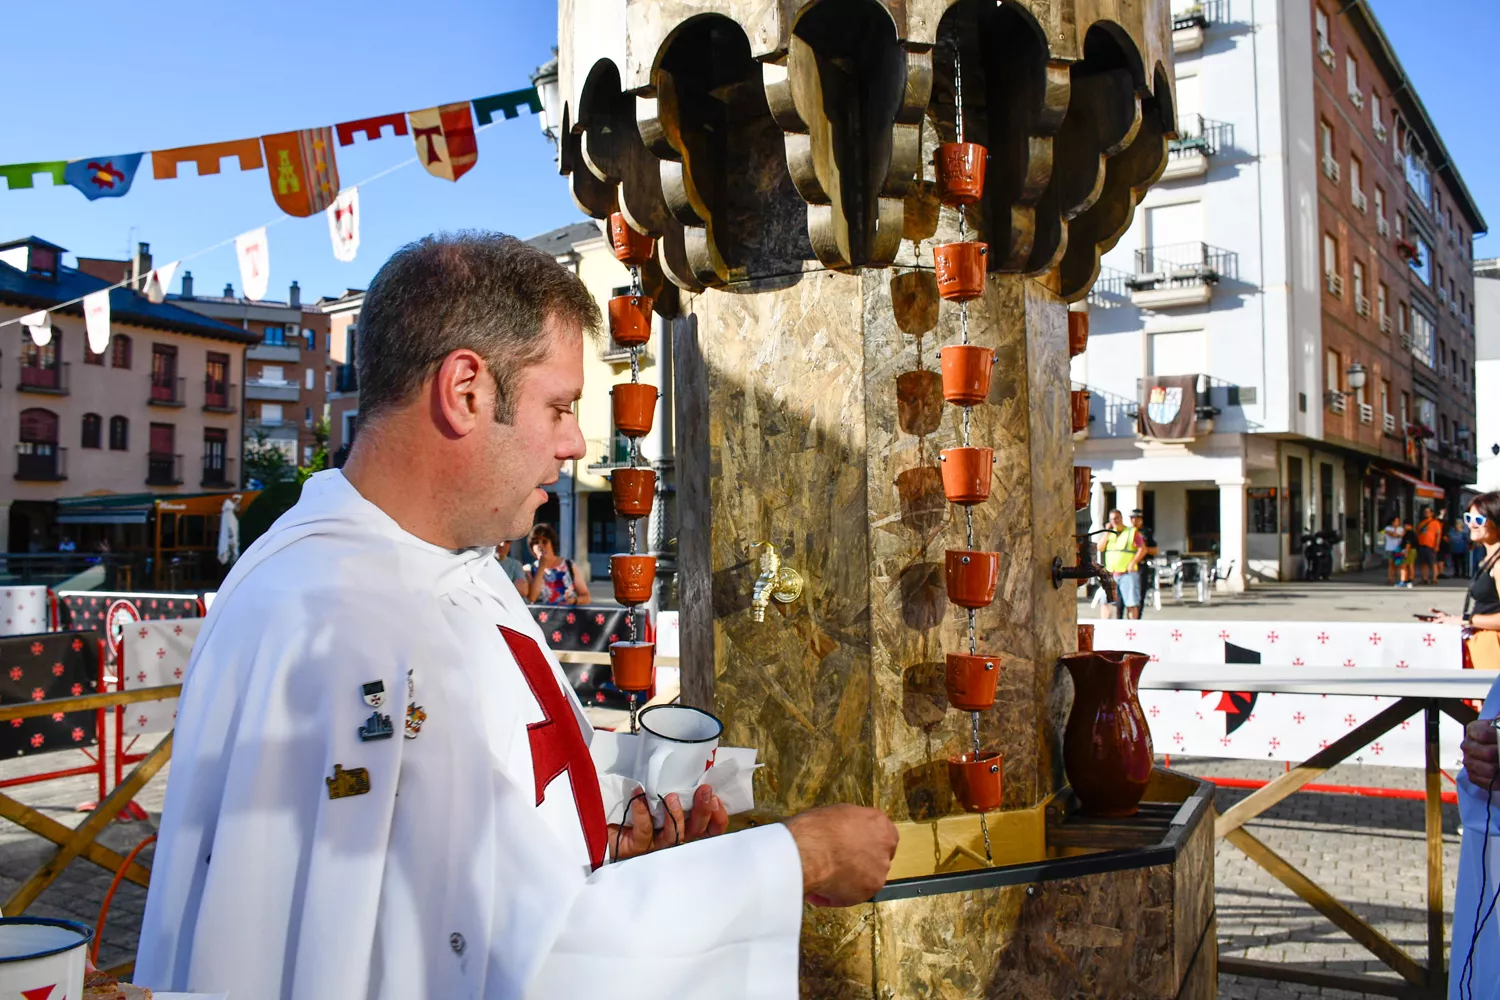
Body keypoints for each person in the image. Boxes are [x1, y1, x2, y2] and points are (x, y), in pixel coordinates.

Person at [135, 233, 899, 999]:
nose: (573, 442)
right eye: (560, 405)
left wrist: (598, 835)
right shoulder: (331, 621)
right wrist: (798, 858)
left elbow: (499, 829)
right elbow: (513, 960)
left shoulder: (466, 571)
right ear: (466, 389)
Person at [525, 523, 591, 606]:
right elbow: (532, 598)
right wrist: (541, 567)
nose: (540, 546)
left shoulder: (569, 566)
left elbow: (586, 597)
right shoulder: (529, 569)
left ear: (552, 544)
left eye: (544, 542)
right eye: (536, 542)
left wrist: (574, 600)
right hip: (541, 617)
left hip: (567, 616)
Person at [1098, 509, 1142, 620]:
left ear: (1121, 518)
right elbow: (1100, 547)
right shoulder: (1110, 534)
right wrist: (1107, 532)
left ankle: (1132, 627)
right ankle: (1106, 625)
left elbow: (1142, 549)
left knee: (1131, 602)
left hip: (1127, 573)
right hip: (1111, 573)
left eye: (1116, 518)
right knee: (1105, 601)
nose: (1114, 521)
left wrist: (1133, 562)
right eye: (1112, 519)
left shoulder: (1131, 532)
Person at [1129, 509, 1156, 615]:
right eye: (1132, 518)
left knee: (1140, 593)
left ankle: (1137, 616)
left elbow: (1155, 550)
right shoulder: (1128, 532)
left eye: (1137, 518)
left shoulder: (1146, 532)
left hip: (1141, 565)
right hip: (1128, 566)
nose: (1134, 520)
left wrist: (1143, 549)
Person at [1416, 506, 1442, 585]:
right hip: (1421, 544)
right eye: (1425, 512)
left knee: (1433, 563)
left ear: (1432, 513)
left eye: (1428, 512)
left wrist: (1436, 545)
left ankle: (1434, 578)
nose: (1426, 513)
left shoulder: (1436, 523)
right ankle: (1425, 578)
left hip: (1431, 545)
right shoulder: (1421, 523)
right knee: (1423, 563)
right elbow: (1418, 533)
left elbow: (1438, 535)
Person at [1383, 513, 1405, 585]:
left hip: (1398, 548)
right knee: (1391, 564)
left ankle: (1400, 579)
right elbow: (1393, 535)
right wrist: (1395, 530)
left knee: (1399, 564)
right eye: (1395, 521)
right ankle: (1390, 579)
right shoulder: (1387, 528)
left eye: (1398, 521)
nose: (1397, 523)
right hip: (1390, 548)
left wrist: (1398, 533)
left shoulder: (1401, 528)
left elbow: (1402, 535)